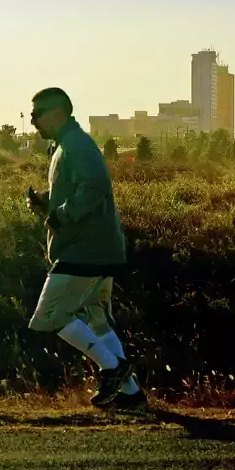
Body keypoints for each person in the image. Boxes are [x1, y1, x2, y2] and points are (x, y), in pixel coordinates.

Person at [26, 87, 146, 410]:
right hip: (98, 249)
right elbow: (78, 192)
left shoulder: (76, 145)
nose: (32, 120)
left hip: (83, 251)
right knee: (97, 320)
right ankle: (131, 395)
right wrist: (46, 204)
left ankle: (114, 368)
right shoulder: (66, 145)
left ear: (57, 114)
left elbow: (93, 188)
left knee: (49, 315)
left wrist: (59, 216)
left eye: (37, 113)